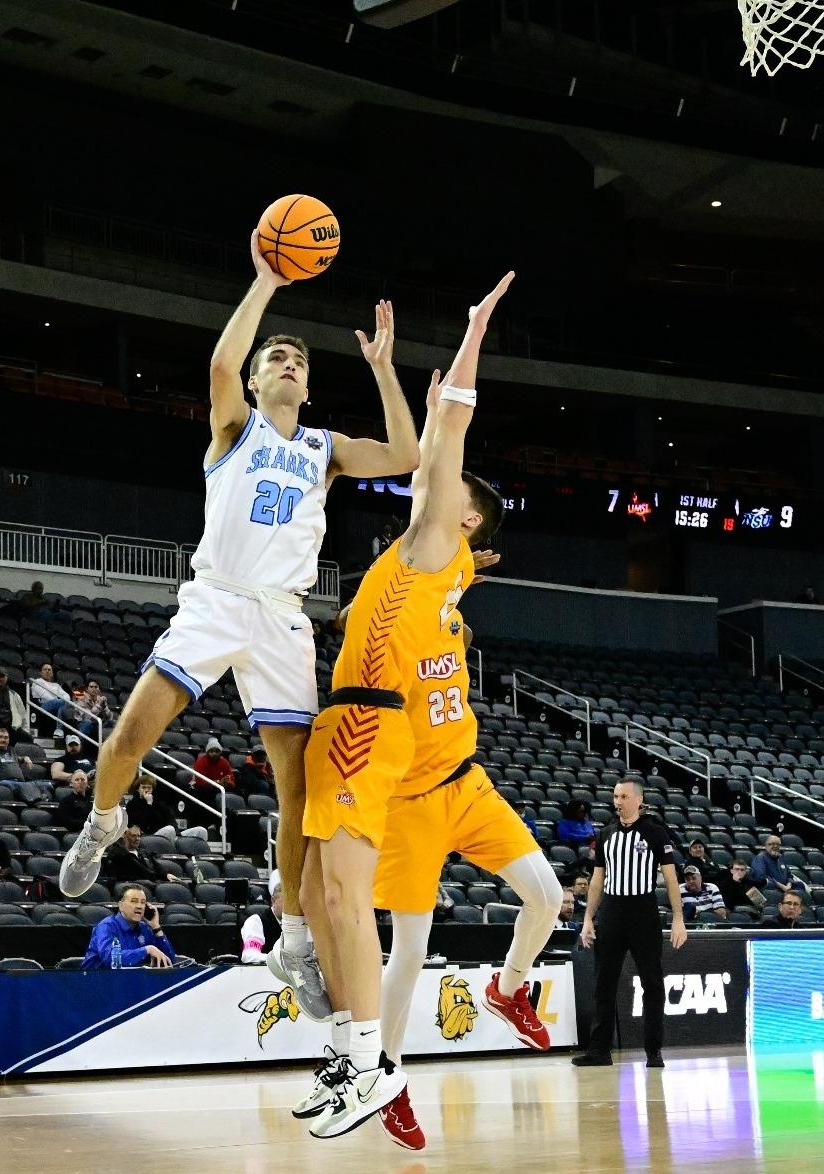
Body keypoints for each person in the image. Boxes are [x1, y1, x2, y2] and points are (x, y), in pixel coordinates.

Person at [54, 234, 428, 1077]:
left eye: (297, 357)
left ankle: (294, 939)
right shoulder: (235, 427)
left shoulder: (321, 449)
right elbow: (222, 363)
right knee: (127, 739)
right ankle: (104, 821)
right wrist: (264, 283)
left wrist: (383, 367)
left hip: (284, 620)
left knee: (298, 787)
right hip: (216, 599)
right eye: (277, 358)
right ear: (260, 381)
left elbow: (405, 457)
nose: (288, 362)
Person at [290, 275, 512, 1141]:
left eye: (451, 491)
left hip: (367, 722)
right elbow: (428, 440)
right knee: (316, 893)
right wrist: (388, 373)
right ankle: (354, 1055)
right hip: (350, 718)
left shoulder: (433, 546)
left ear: (468, 526)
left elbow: (447, 424)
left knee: (344, 898)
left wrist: (472, 329)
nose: (433, 486)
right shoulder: (426, 556)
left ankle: (372, 1064)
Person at [349, 524, 544, 1150]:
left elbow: (453, 577)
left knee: (547, 897)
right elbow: (364, 613)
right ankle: (384, 1079)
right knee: (409, 950)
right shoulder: (389, 627)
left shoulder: (450, 611)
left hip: (467, 785)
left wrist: (463, 567)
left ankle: (506, 991)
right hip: (409, 806)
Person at [574, 777, 688, 1069]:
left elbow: (672, 878)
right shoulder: (606, 834)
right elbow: (597, 879)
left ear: (639, 800)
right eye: (615, 796)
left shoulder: (654, 832)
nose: (618, 801)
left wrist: (678, 918)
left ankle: (653, 1050)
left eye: (624, 796)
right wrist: (588, 918)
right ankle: (599, 1050)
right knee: (603, 983)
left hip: (643, 911)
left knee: (652, 982)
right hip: (611, 911)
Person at [81, 885, 176, 970]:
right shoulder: (106, 926)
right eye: (134, 901)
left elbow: (170, 961)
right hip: (96, 981)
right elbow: (110, 959)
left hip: (129, 981)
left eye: (143, 902)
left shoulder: (145, 928)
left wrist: (156, 927)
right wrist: (146, 950)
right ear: (121, 905)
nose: (139, 906)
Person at [104, 826, 184, 885]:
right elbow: (141, 872)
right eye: (133, 836)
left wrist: (167, 874)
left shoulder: (143, 852)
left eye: (139, 836)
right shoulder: (120, 855)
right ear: (125, 836)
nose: (137, 839)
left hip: (154, 881)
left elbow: (157, 865)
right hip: (138, 884)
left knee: (181, 884)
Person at [241, 871, 286, 964]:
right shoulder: (256, 922)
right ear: (273, 900)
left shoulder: (300, 922)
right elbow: (250, 955)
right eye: (287, 902)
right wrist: (282, 961)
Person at [747, 835, 804, 902]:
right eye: (772, 844)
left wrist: (789, 884)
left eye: (778, 844)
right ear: (766, 846)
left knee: (800, 888)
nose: (775, 846)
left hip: (784, 889)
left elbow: (789, 875)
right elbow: (760, 877)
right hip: (769, 890)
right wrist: (781, 886)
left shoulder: (780, 858)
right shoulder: (760, 858)